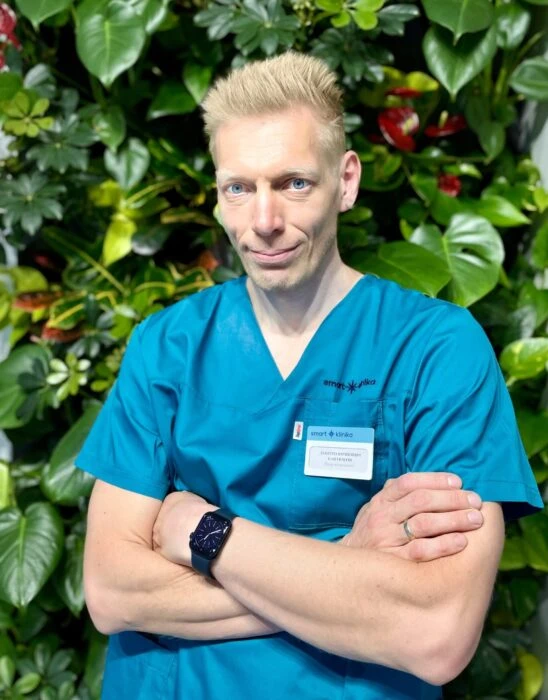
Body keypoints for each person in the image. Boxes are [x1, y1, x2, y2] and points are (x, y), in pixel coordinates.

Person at [76, 52, 543, 700]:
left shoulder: (436, 349)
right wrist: (347, 561)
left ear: (346, 181)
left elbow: (435, 631)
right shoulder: (169, 346)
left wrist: (207, 535)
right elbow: (112, 592)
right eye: (239, 188)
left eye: (294, 183)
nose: (264, 221)